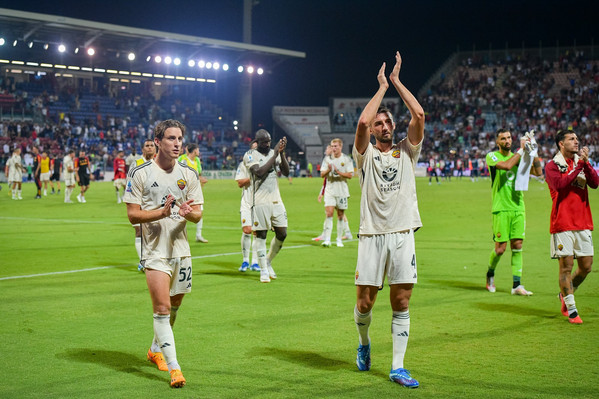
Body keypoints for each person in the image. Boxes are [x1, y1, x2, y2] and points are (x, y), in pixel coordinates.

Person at [352, 52, 424, 388]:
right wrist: (380, 87)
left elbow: (419, 114)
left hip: (401, 233)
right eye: (380, 123)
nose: (383, 126)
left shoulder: (407, 150)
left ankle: (398, 366)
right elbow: (362, 124)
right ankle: (365, 345)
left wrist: (396, 81)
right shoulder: (364, 155)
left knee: (402, 299)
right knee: (365, 302)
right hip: (371, 235)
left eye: (388, 122)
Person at [124, 119, 203, 388]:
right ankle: (175, 369)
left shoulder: (188, 174)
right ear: (157, 142)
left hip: (181, 250)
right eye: (171, 138)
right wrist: (162, 212)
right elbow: (133, 215)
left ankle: (155, 349)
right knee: (162, 308)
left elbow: (198, 213)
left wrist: (186, 212)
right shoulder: (140, 173)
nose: (177, 143)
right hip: (155, 251)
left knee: (175, 306)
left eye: (180, 138)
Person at [545, 130, 599, 324]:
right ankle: (572, 309)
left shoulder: (581, 162)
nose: (576, 142)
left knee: (586, 267)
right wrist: (579, 167)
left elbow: (595, 183)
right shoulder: (552, 166)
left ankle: (564, 295)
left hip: (583, 221)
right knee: (566, 267)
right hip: (562, 223)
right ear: (561, 143)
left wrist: (586, 164)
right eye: (571, 139)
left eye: (577, 139)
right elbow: (560, 185)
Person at [484, 128, 542, 295]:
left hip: (518, 207)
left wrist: (533, 151)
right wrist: (522, 150)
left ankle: (517, 285)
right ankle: (490, 273)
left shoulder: (519, 157)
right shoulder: (492, 156)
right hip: (501, 208)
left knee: (517, 245)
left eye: (509, 137)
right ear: (497, 142)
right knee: (500, 249)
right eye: (503, 138)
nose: (507, 141)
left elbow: (538, 173)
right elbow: (507, 165)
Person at [243, 129, 289, 283]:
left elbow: (286, 171)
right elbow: (259, 173)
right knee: (261, 235)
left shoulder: (273, 153)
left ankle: (268, 260)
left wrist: (281, 154)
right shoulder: (250, 155)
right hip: (260, 202)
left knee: (282, 233)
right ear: (257, 142)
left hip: (276, 200)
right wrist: (275, 155)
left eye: (269, 141)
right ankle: (263, 270)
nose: (268, 144)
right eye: (264, 142)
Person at [318, 138, 354, 247]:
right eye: (332, 146)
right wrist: (329, 170)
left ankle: (339, 239)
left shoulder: (346, 159)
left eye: (335, 146)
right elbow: (322, 174)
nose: (333, 148)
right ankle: (327, 239)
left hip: (342, 191)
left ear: (340, 147)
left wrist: (338, 172)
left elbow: (350, 175)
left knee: (340, 215)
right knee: (329, 214)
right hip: (330, 190)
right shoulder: (327, 159)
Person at [235, 141, 259, 272]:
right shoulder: (243, 164)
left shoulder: (266, 165)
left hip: (260, 203)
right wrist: (252, 177)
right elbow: (239, 183)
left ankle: (255, 262)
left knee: (257, 232)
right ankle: (245, 261)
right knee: (247, 230)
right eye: (254, 148)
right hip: (246, 202)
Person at [133, 139, 157, 271]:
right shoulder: (136, 164)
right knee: (139, 232)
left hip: (155, 204)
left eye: (151, 146)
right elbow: (130, 184)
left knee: (155, 233)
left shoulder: (159, 163)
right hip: (140, 203)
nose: (149, 148)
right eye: (147, 146)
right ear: (142, 149)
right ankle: (142, 261)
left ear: (155, 148)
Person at [178, 143, 209, 243]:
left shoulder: (197, 161)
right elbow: (180, 175)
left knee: (199, 212)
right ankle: (180, 235)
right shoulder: (184, 160)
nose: (199, 151)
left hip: (195, 191)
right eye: (198, 149)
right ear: (194, 150)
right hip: (184, 191)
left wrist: (200, 180)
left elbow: (197, 174)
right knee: (183, 213)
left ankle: (198, 235)